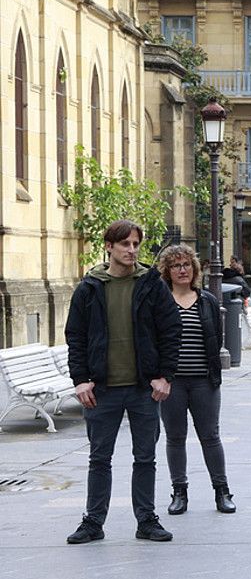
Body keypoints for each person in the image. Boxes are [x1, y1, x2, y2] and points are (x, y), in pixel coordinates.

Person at [64, 220, 181, 544]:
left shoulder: (151, 283)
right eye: (125, 244)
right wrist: (81, 380)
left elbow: (171, 330)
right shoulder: (90, 287)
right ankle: (93, 522)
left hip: (144, 388)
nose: (131, 250)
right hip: (102, 389)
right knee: (99, 458)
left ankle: (146, 520)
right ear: (109, 247)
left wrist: (164, 376)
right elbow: (76, 335)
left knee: (145, 457)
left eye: (135, 244)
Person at [156, 244, 235, 516]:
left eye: (186, 264)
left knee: (211, 436)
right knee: (175, 437)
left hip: (204, 382)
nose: (182, 270)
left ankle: (222, 491)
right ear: (167, 271)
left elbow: (216, 338)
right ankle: (179, 492)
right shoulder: (160, 301)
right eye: (176, 265)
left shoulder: (207, 301)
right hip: (172, 383)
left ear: (194, 269)